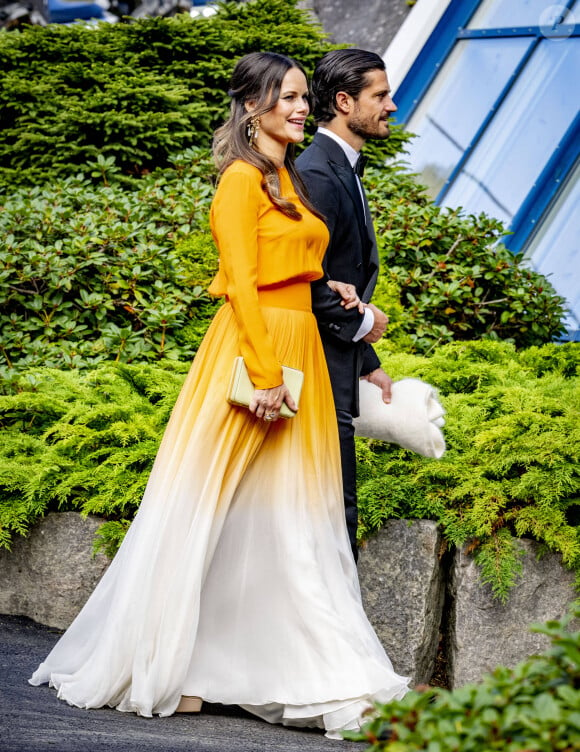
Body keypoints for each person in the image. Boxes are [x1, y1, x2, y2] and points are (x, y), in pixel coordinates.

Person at [29, 51, 408, 739]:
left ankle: (226, 669)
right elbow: (239, 281)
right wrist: (264, 376)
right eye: (288, 98)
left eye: (302, 97)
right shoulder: (239, 180)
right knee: (213, 511)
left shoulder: (289, 177)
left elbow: (294, 267)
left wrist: (335, 292)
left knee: (279, 522)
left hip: (300, 352)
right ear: (253, 106)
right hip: (255, 351)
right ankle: (209, 667)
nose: (301, 107)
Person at [296, 49, 398, 562]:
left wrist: (368, 363)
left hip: (338, 364)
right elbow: (307, 283)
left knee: (335, 515)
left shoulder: (342, 167)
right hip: (314, 369)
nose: (392, 105)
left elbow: (341, 272)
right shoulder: (317, 173)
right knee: (334, 516)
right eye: (379, 95)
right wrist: (364, 321)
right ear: (343, 101)